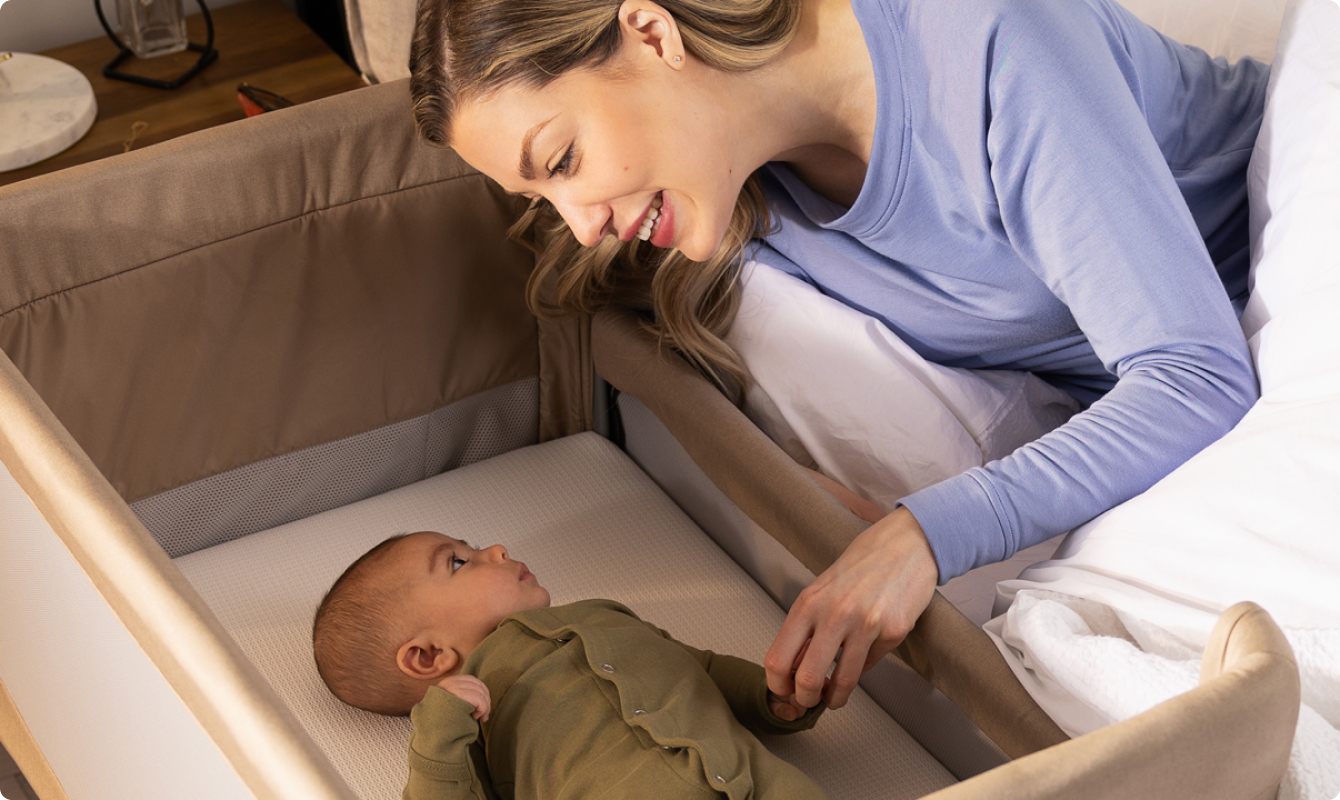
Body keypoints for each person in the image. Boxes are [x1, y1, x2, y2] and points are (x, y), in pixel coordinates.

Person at [406, 0, 1266, 719]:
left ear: (652, 32)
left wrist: (921, 534)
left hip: (1265, 307)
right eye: (543, 197)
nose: (581, 221)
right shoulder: (749, 192)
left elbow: (1194, 375)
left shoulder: (988, 41)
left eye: (561, 161)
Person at [311, 531, 829, 799]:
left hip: (755, 783)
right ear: (428, 656)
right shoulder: (466, 728)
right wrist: (439, 732)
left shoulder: (598, 616)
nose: (494, 549)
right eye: (458, 561)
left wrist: (769, 696)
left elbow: (703, 670)